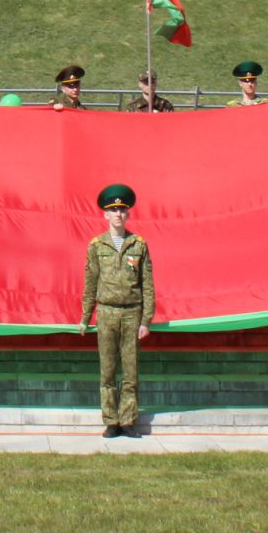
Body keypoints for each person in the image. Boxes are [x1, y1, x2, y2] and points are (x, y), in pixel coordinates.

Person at [80, 182, 154, 438]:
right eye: (113, 211)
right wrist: (85, 317)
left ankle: (128, 420)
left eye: (122, 210)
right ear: (105, 215)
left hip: (132, 313)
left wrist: (146, 320)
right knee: (108, 370)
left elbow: (148, 285)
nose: (118, 215)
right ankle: (111, 421)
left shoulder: (138, 244)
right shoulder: (97, 246)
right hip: (107, 313)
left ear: (128, 214)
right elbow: (90, 283)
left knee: (131, 371)